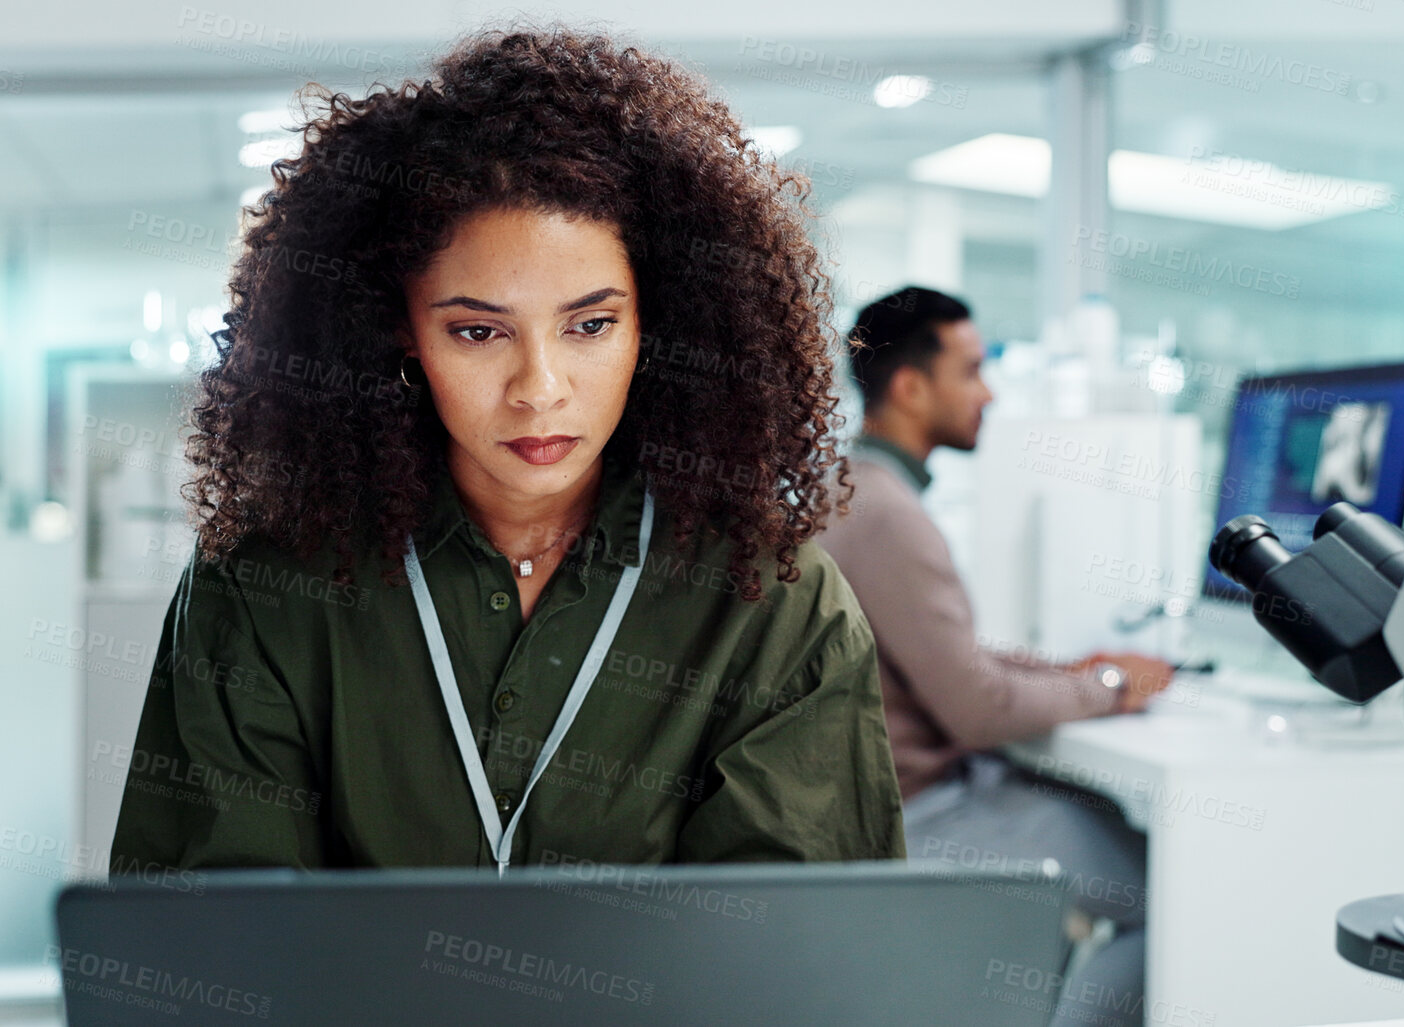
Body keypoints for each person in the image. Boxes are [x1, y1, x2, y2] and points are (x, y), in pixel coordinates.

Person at [109, 28, 904, 875]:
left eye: (590, 324)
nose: (540, 386)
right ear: (398, 331)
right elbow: (214, 951)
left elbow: (789, 965)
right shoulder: (267, 584)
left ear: (655, 325)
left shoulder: (769, 600)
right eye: (478, 330)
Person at [816, 286, 1173, 1027]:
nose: (989, 391)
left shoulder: (846, 490)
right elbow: (977, 709)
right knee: (1165, 891)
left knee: (1107, 823)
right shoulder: (887, 515)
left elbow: (944, 653)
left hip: (887, 800)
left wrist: (1069, 673)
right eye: (972, 370)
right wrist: (1109, 685)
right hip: (922, 812)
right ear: (911, 387)